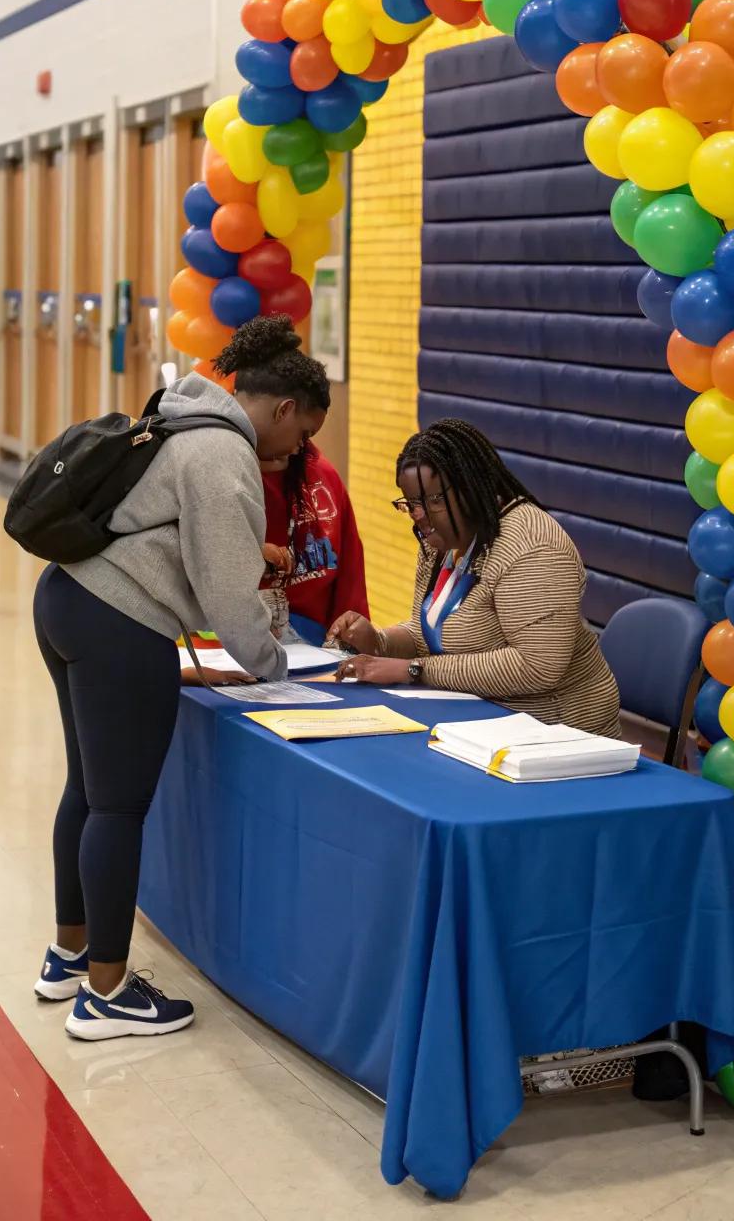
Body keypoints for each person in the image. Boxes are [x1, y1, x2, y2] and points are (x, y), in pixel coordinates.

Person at [32, 315, 330, 1040]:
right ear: (284, 409)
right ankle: (107, 994)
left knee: (87, 789)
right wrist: (278, 667)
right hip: (118, 622)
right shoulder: (226, 458)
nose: (298, 452)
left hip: (64, 600)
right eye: (302, 435)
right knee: (118, 808)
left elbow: (167, 528)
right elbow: (231, 603)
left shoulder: (181, 420)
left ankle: (68, 955)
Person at [329, 419, 620, 736]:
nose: (419, 516)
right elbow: (436, 631)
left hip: (557, 734)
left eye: (434, 501)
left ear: (470, 487)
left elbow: (537, 667)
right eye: (412, 504)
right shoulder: (441, 539)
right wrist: (378, 642)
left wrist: (413, 670)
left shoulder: (531, 547)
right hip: (476, 723)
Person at [260, 442, 369, 634]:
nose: (298, 445)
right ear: (280, 411)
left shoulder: (325, 477)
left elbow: (350, 580)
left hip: (316, 643)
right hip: (235, 639)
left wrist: (350, 642)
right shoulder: (230, 478)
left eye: (307, 434)